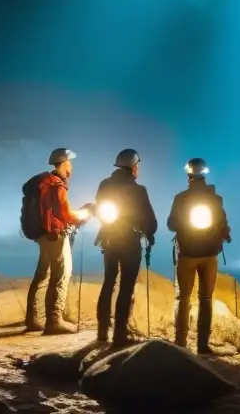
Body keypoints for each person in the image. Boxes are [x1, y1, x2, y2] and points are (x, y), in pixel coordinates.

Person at [167, 158, 231, 354]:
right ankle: (203, 345)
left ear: (188, 175)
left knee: (183, 298)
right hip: (210, 256)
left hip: (187, 255)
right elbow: (223, 225)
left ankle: (180, 344)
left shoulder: (180, 198)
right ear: (204, 174)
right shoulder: (216, 199)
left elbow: (171, 224)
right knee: (206, 299)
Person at [94, 148, 158, 346]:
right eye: (137, 165)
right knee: (126, 286)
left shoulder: (104, 185)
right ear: (132, 167)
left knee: (108, 282)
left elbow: (98, 210)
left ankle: (102, 331)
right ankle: (120, 333)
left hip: (109, 240)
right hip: (130, 242)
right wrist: (149, 234)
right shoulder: (139, 190)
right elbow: (150, 220)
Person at [25, 147, 91, 335]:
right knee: (61, 274)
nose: (71, 167)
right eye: (70, 162)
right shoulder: (56, 185)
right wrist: (83, 215)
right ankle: (54, 320)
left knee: (42, 275)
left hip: (42, 235)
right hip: (55, 236)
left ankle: (32, 318)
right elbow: (65, 214)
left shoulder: (43, 183)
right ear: (64, 163)